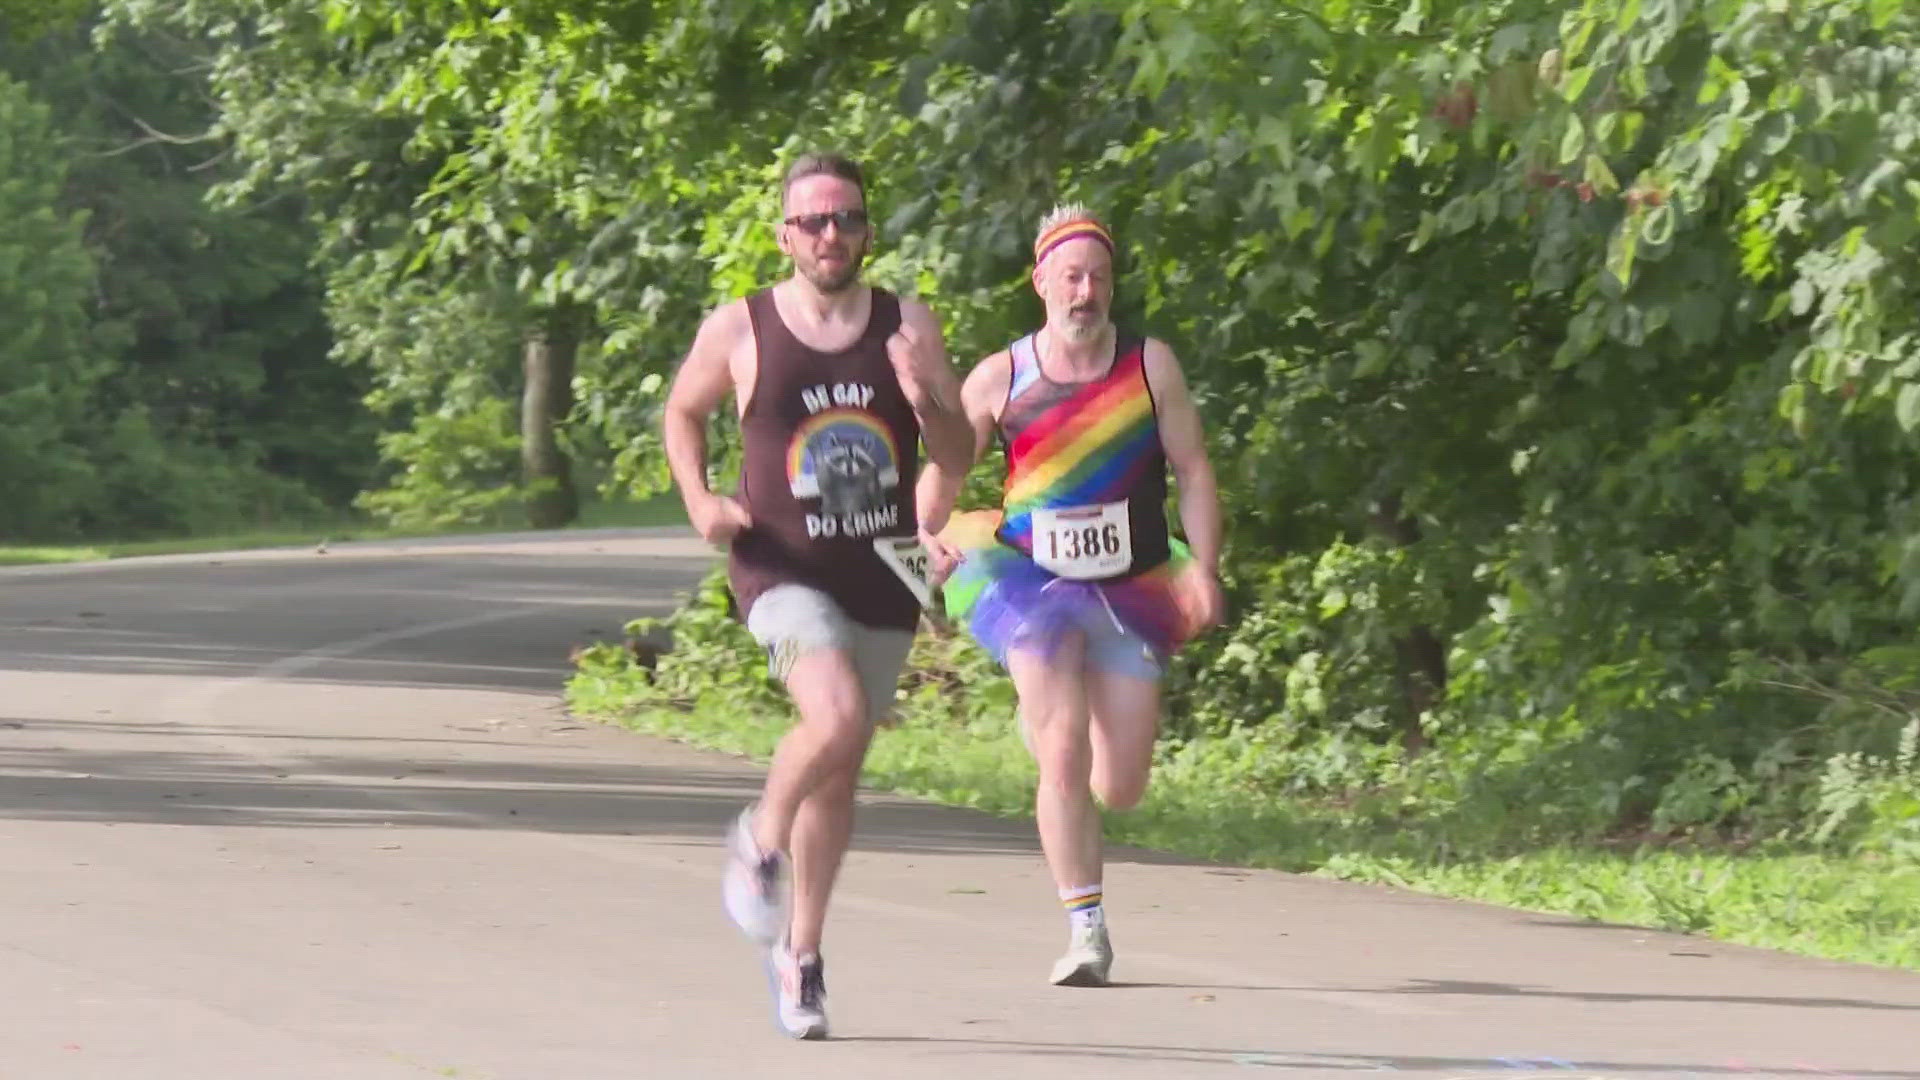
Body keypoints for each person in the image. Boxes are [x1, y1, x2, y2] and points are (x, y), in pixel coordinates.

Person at [660, 152, 972, 1039]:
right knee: (833, 717)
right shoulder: (744, 325)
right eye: (814, 221)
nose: (832, 234)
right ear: (785, 235)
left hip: (884, 567)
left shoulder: (908, 322)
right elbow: (684, 411)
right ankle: (759, 840)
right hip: (779, 565)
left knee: (841, 766)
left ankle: (800, 957)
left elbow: (955, 452)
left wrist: (924, 395)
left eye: (848, 219)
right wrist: (699, 498)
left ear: (869, 229)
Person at [916, 203, 1225, 987]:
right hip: (1032, 580)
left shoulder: (1151, 366)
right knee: (1063, 748)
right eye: (1071, 277)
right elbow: (948, 468)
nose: (1085, 292)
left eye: (1099, 277)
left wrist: (1206, 568)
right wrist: (921, 536)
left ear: (1112, 285)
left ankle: (1061, 747)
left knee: (1119, 786)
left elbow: (1192, 471)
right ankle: (1085, 929)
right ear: (1042, 283)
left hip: (1134, 582)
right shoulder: (1002, 376)